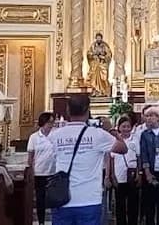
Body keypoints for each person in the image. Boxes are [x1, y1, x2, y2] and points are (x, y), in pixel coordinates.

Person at [49, 94, 127, 225]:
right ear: (87, 111)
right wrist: (111, 130)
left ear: (68, 110)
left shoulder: (55, 135)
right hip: (89, 199)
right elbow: (123, 148)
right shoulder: (98, 134)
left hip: (62, 198)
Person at [108, 115, 139, 225]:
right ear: (119, 127)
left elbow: (139, 156)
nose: (126, 129)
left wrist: (138, 173)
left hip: (132, 175)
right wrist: (112, 176)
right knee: (119, 205)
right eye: (123, 126)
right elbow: (111, 159)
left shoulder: (135, 140)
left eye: (128, 126)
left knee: (133, 204)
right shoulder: (113, 140)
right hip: (119, 175)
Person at [28, 111, 56, 225]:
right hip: (39, 172)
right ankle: (41, 222)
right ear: (43, 122)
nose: (51, 125)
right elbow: (31, 156)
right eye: (49, 122)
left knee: (54, 199)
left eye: (52, 122)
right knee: (40, 199)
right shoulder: (34, 137)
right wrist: (30, 171)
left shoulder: (56, 134)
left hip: (53, 172)